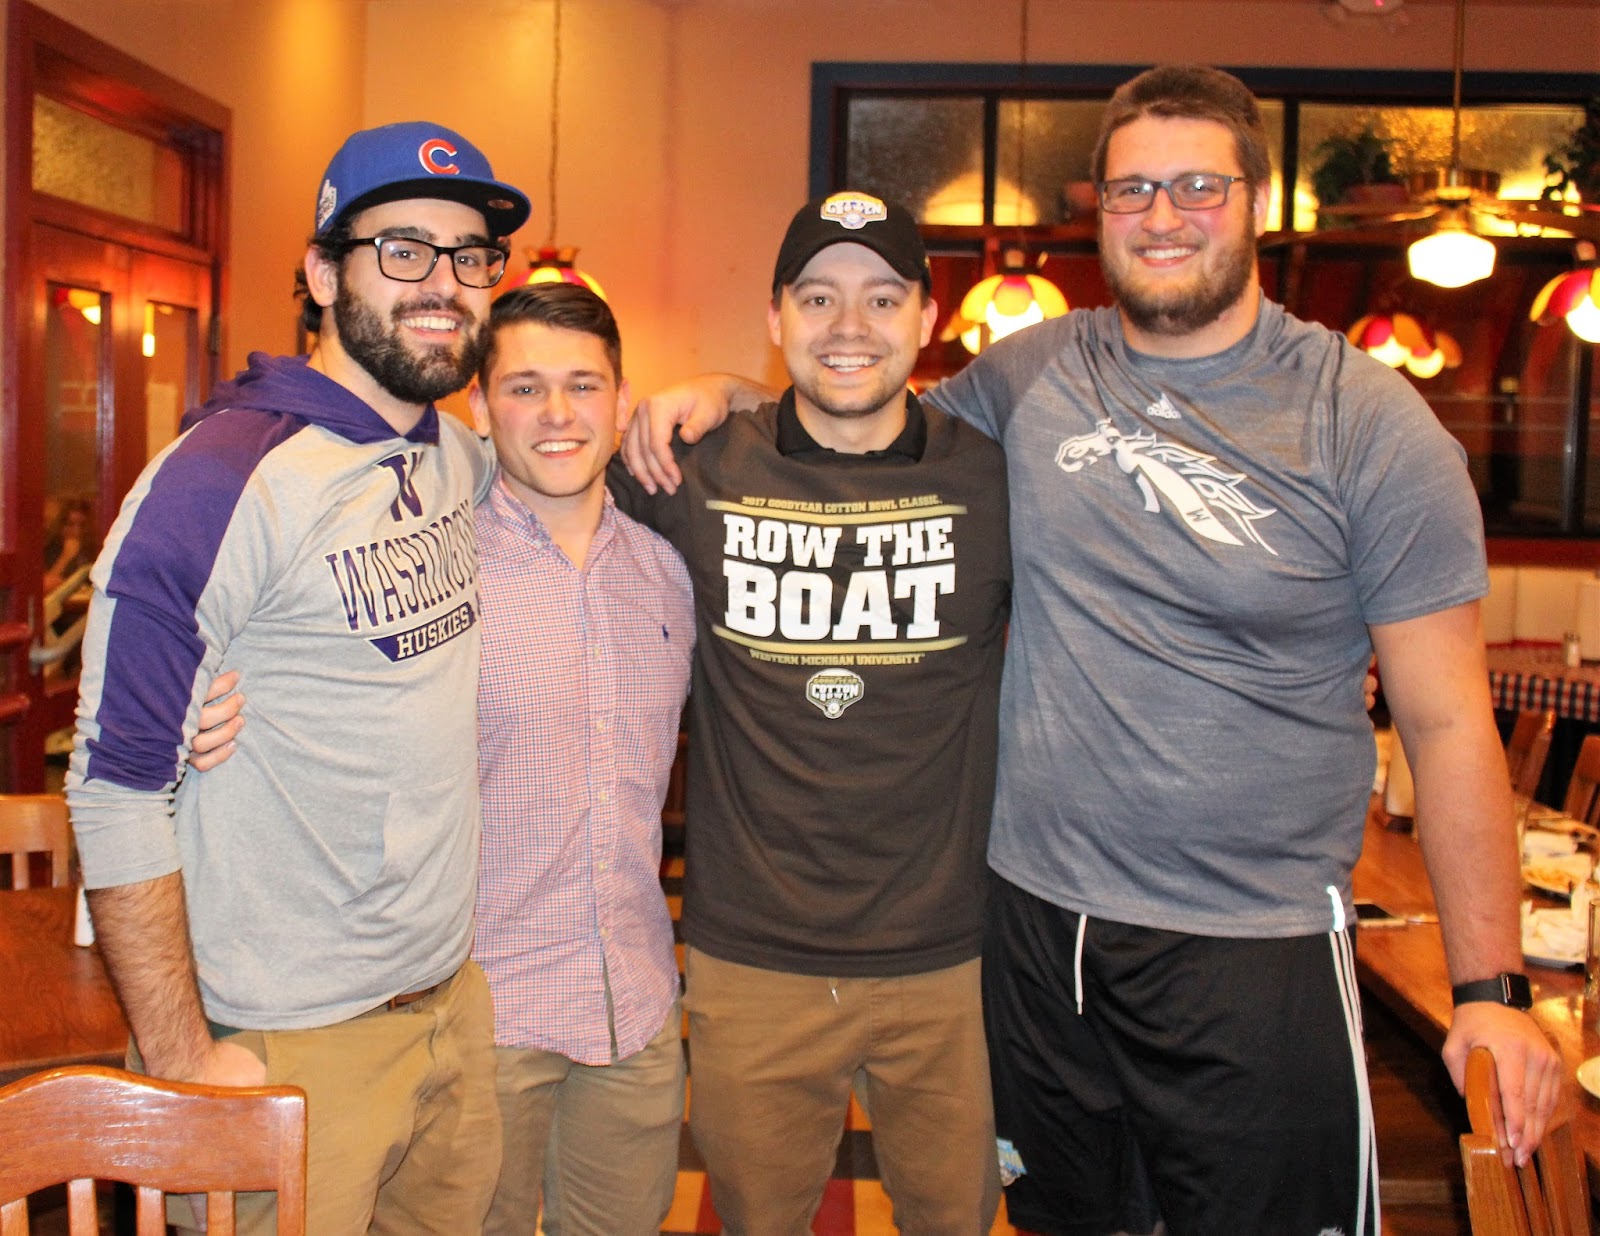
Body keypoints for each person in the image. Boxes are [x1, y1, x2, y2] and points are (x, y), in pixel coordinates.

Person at [621, 67, 1562, 1236]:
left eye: (1197, 186)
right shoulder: (1034, 374)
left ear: (1256, 203)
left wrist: (1490, 987)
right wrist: (727, 395)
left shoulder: (1365, 420)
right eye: (1131, 190)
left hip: (1252, 943)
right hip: (1034, 932)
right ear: (1099, 210)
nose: (1162, 215)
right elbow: (859, 414)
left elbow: (1449, 721)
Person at [67, 120, 530, 1235]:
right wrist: (183, 1060)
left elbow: (564, 454)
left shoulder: (449, 453)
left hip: (449, 1011)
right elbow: (114, 786)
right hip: (283, 1042)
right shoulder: (218, 482)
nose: (444, 285)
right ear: (323, 274)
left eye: (470, 256)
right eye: (403, 250)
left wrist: (707, 398)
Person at [606, 192, 1011, 1236]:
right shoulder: (694, 468)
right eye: (819, 298)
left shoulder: (991, 479)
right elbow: (525, 495)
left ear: (926, 317)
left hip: (950, 958)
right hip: (754, 957)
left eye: (882, 298)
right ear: (775, 316)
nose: (849, 326)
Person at [467, 284, 693, 1236]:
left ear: (622, 401)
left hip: (635, 1012)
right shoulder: (434, 571)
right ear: (479, 407)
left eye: (583, 385)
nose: (557, 413)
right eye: (524, 387)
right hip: (482, 1020)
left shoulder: (668, 574)